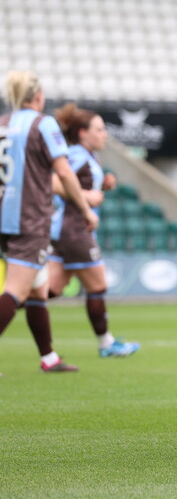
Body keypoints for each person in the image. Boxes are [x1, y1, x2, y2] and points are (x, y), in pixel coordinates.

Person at [0, 72, 99, 373]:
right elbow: (65, 173)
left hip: (4, 214)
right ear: (39, 96)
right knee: (16, 290)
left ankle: (49, 357)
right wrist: (86, 209)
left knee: (38, 290)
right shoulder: (43, 124)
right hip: (28, 219)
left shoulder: (3, 124)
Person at [26, 104, 139, 363]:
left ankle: (7, 307)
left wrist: (102, 185)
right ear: (82, 132)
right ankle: (106, 344)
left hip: (65, 230)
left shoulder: (87, 155)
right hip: (74, 230)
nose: (104, 135)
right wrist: (88, 195)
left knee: (48, 289)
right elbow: (54, 181)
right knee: (97, 285)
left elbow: (78, 185)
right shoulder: (75, 154)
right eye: (99, 130)